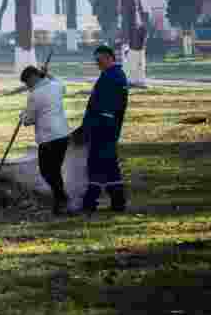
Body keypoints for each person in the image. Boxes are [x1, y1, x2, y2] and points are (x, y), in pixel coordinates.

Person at [77, 45, 130, 213]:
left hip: (103, 128)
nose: (97, 64)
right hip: (107, 127)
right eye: (96, 61)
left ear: (109, 58)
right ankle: (117, 201)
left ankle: (90, 201)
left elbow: (104, 108)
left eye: (99, 60)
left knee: (97, 164)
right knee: (109, 165)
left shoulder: (113, 77)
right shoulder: (112, 74)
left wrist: (89, 128)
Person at [19, 65, 71, 214]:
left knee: (47, 171)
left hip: (48, 138)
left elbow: (28, 120)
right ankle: (60, 201)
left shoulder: (35, 94)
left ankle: (61, 199)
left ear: (33, 78)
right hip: (63, 135)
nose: (27, 87)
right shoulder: (56, 86)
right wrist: (49, 75)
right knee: (55, 171)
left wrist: (22, 115)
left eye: (27, 83)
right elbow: (62, 85)